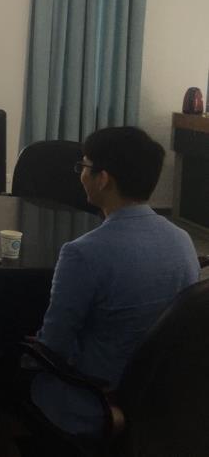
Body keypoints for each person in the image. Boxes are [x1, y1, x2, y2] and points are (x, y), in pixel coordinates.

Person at [31, 126, 199, 435]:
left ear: (103, 178)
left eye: (84, 166)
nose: (81, 175)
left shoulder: (83, 253)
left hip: (97, 400)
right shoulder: (183, 240)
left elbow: (54, 346)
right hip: (161, 400)